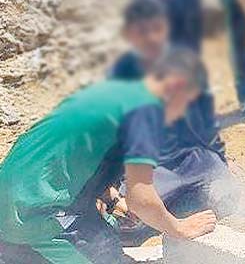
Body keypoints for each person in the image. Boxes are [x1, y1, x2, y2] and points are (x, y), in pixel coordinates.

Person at [0, 48, 217, 264]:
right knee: (105, 254)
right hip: (31, 219)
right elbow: (141, 200)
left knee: (107, 232)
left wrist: (112, 198)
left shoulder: (102, 95)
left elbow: (72, 157)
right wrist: (179, 228)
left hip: (12, 202)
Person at [107, 0, 235, 244]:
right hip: (148, 168)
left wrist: (221, 158)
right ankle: (149, 210)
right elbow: (109, 144)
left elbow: (205, 125)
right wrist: (111, 192)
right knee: (135, 215)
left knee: (225, 190)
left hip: (188, 160)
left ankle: (167, 207)